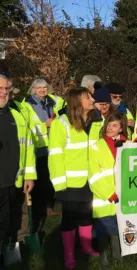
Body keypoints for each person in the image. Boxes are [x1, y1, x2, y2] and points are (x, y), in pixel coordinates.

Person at [48, 87, 103, 269]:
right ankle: (69, 255)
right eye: (87, 97)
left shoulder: (96, 121)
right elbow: (55, 154)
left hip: (91, 180)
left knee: (87, 215)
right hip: (70, 182)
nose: (91, 99)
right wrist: (59, 183)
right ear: (77, 102)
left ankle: (86, 248)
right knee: (69, 219)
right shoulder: (61, 123)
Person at [0, 75, 36, 268]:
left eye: (6, 89)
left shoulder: (16, 116)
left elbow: (28, 147)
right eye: (1, 88)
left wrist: (29, 175)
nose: (4, 92)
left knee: (6, 223)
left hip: (11, 182)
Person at [21, 78, 65, 220]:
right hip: (38, 145)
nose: (42, 90)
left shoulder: (54, 100)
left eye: (44, 87)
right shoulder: (27, 104)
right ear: (33, 89)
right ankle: (43, 206)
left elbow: (65, 109)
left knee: (53, 174)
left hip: (55, 143)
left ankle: (52, 203)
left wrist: (57, 120)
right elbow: (26, 126)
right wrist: (45, 125)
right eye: (39, 88)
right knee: (42, 178)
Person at [88, 112, 128, 269]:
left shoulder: (126, 145)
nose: (110, 128)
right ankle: (104, 257)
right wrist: (107, 193)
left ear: (121, 129)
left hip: (122, 195)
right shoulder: (97, 147)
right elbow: (94, 174)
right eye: (109, 125)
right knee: (104, 227)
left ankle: (117, 254)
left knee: (118, 226)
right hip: (104, 196)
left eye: (115, 125)